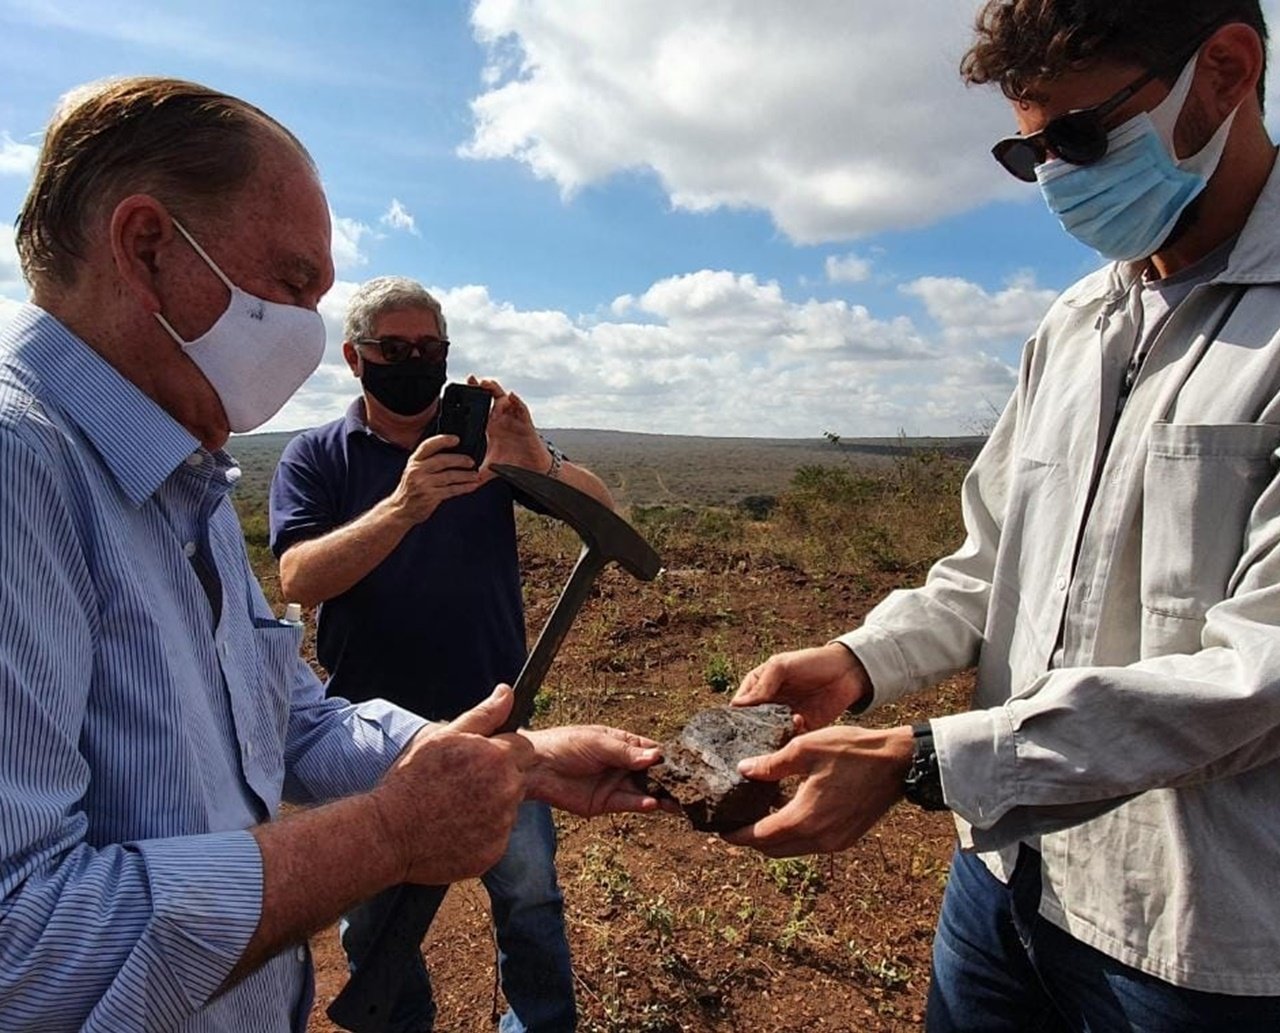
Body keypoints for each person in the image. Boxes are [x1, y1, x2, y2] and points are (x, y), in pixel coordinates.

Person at [0, 76, 664, 1033]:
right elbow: (22, 942)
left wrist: (517, 758)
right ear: (148, 249)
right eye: (294, 281)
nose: (304, 326)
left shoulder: (175, 469)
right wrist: (388, 835)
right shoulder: (23, 471)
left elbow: (289, 718)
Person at [728, 3, 1280, 1030]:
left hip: (1191, 938)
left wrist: (924, 761)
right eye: (1030, 154)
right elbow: (988, 568)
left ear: (1225, 70)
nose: (1060, 178)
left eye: (1077, 137)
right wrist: (858, 660)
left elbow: (1256, 677)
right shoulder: (1072, 325)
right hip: (1001, 881)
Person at [268, 275, 614, 1032]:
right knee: (375, 920)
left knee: (529, 897)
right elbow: (298, 576)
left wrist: (538, 461)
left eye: (430, 348)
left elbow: (608, 517)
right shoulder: (317, 456)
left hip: (496, 721)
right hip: (364, 737)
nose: (415, 361)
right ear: (357, 360)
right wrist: (403, 507)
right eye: (395, 348)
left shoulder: (482, 444)